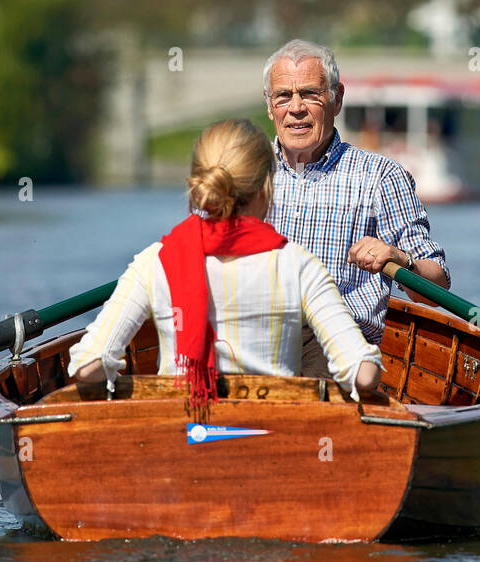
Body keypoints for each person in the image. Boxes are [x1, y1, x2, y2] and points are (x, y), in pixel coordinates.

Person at [67, 119, 382, 411]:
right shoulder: (299, 266)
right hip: (272, 442)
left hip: (180, 439)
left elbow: (89, 366)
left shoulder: (155, 261)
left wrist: (127, 387)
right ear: (265, 188)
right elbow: (363, 376)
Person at [262, 38, 450, 376]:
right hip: (255, 343)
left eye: (310, 94)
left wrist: (399, 259)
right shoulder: (246, 173)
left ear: (337, 100)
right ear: (268, 105)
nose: (296, 108)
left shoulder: (380, 177)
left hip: (338, 356)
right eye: (283, 96)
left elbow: (435, 289)